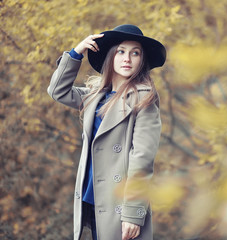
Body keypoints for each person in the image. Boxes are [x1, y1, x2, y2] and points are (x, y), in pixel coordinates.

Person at [47, 24, 166, 240]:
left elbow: (142, 160)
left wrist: (132, 214)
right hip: (91, 199)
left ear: (142, 60)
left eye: (135, 53)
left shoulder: (144, 100)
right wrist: (76, 53)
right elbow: (58, 90)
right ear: (110, 56)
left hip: (120, 206)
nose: (127, 58)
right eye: (121, 51)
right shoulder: (95, 96)